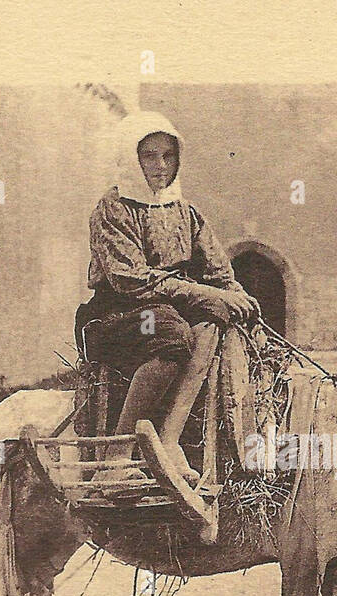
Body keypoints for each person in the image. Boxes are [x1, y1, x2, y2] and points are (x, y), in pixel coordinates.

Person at [81, 111, 258, 483]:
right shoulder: (112, 208)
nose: (161, 166)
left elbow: (217, 268)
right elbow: (130, 280)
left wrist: (236, 296)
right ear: (130, 158)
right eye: (149, 156)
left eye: (168, 155)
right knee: (169, 332)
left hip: (169, 307)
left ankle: (169, 438)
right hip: (118, 314)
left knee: (211, 321)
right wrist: (203, 292)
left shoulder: (184, 210)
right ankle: (117, 455)